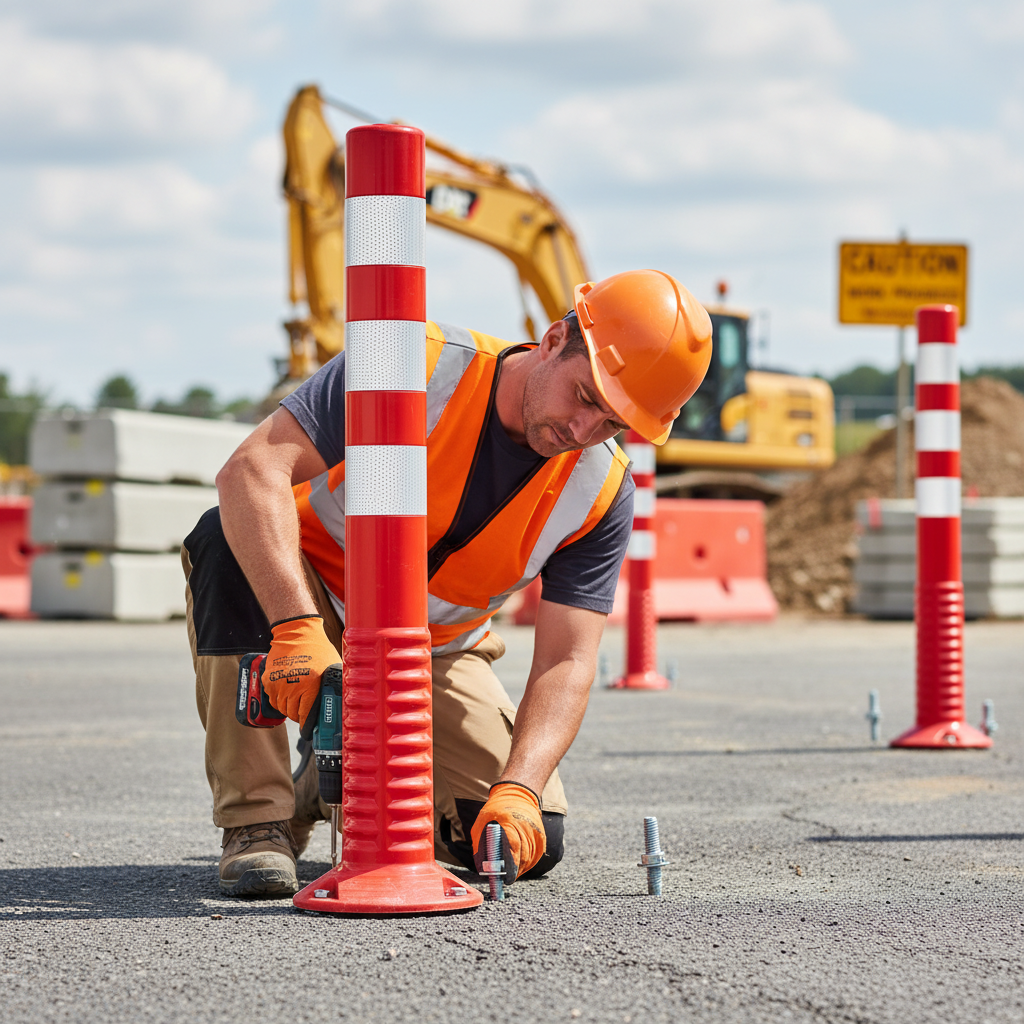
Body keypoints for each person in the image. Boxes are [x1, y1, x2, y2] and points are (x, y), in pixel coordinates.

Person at [182, 269, 712, 898]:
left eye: (613, 422)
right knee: (223, 540)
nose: (584, 430)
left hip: (436, 650)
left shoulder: (600, 492)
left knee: (520, 841)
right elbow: (250, 472)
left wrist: (519, 790)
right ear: (552, 340)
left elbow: (568, 660)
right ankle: (257, 823)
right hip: (307, 599)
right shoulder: (415, 365)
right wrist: (296, 626)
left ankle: (320, 787)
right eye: (586, 396)